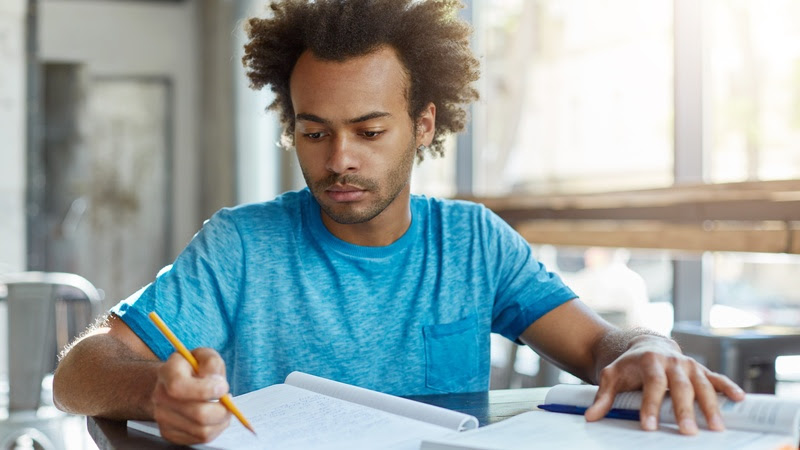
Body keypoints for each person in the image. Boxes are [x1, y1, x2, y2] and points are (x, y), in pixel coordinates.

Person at [52, 0, 744, 445]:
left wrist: (648, 345)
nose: (340, 161)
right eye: (314, 133)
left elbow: (601, 347)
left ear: (423, 125)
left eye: (370, 131)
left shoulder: (472, 243)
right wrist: (157, 392)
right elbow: (79, 372)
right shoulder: (241, 244)